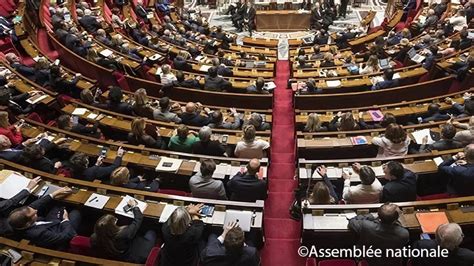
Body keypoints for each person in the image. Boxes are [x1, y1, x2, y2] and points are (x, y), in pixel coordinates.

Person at [8, 186, 81, 249]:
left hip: (48, 222)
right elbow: (65, 237)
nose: (36, 210)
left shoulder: (17, 220)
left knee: (58, 205)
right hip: (59, 232)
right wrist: (65, 220)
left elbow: (33, 206)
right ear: (28, 223)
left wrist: (55, 193)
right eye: (34, 214)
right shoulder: (39, 233)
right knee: (75, 213)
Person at [91, 202, 156, 263]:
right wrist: (134, 206)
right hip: (136, 254)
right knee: (151, 233)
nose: (116, 220)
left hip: (115, 255)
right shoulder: (124, 233)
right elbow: (138, 219)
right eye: (115, 220)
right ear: (112, 227)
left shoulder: (94, 237)